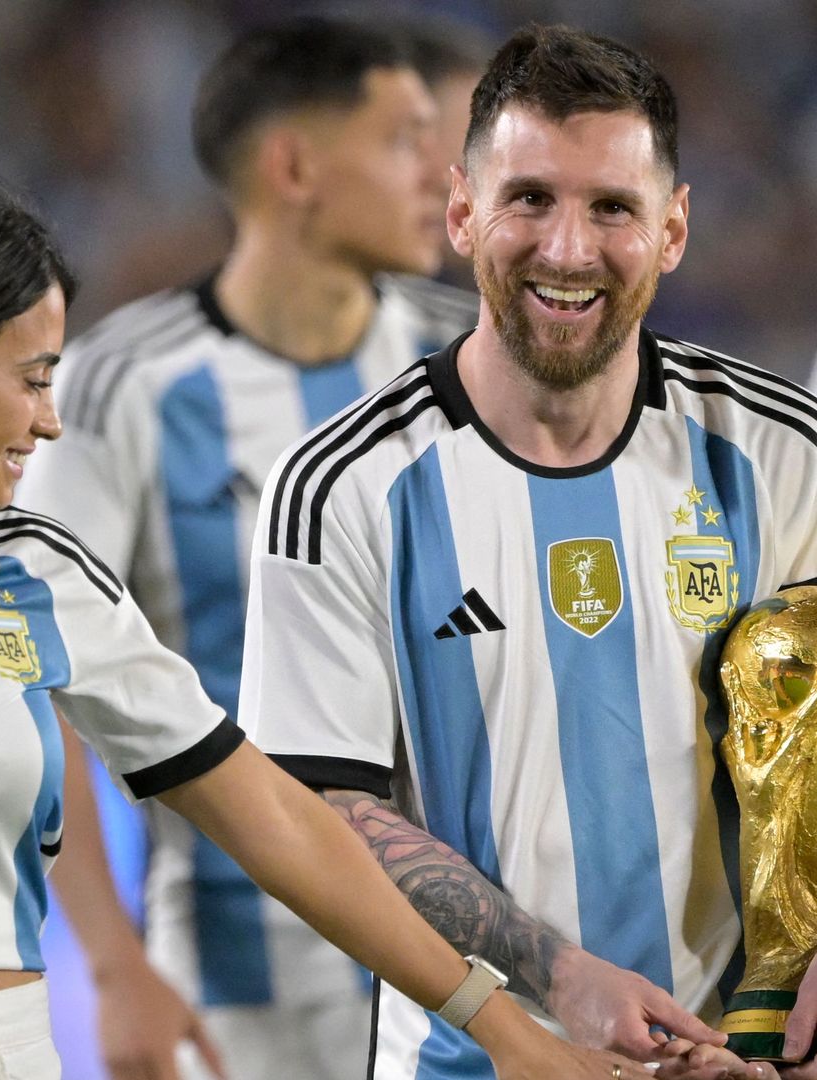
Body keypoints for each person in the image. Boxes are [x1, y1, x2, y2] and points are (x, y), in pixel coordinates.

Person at [0, 169, 676, 1080]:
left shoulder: (39, 570)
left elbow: (276, 820)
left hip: (5, 1051)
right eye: (29, 381)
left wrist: (506, 1028)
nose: (51, 421)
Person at [238, 21, 817, 1080]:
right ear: (462, 211)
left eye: (612, 208)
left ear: (675, 229)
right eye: (529, 199)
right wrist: (559, 984)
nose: (567, 249)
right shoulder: (341, 487)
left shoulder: (785, 451)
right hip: (470, 1066)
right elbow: (317, 811)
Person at [19, 15, 485, 1079]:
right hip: (241, 986)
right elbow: (38, 679)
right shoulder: (116, 384)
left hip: (483, 962)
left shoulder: (468, 364)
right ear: (295, 167)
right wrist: (109, 962)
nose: (445, 176)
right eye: (409, 141)